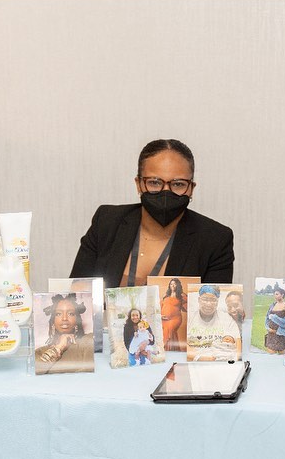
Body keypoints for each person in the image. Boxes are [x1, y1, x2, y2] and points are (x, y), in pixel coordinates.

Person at [70, 139, 234, 288]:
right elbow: (76, 295)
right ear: (139, 184)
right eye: (154, 182)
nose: (166, 191)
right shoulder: (106, 222)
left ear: (191, 188)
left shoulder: (215, 239)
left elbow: (213, 306)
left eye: (178, 184)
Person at [35, 293, 94, 374]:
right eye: (58, 314)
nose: (64, 318)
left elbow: (89, 374)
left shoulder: (88, 341)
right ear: (53, 321)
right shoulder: (40, 351)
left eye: (70, 314)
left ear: (77, 320)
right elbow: (37, 371)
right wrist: (59, 348)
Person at [187, 285, 240, 361]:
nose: (208, 304)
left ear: (217, 302)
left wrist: (236, 360)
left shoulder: (226, 318)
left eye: (213, 300)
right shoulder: (189, 318)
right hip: (197, 361)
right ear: (199, 300)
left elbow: (238, 342)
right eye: (205, 299)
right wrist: (200, 358)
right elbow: (183, 345)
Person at [161, 278, 187, 351]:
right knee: (167, 332)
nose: (172, 285)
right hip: (164, 319)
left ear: (177, 285)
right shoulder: (166, 296)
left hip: (175, 319)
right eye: (171, 284)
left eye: (174, 284)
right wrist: (160, 316)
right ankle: (171, 351)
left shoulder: (181, 296)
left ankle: (170, 351)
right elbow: (159, 307)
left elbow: (187, 306)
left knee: (170, 329)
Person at [264, 286, 285, 354]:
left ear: (282, 295)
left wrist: (274, 318)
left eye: (277, 294)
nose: (275, 296)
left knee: (281, 356)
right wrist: (268, 328)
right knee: (270, 356)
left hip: (281, 335)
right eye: (274, 294)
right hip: (271, 335)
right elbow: (267, 318)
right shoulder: (272, 305)